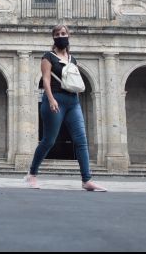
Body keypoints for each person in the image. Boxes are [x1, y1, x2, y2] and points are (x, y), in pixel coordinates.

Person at [25, 24, 106, 192]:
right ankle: (32, 173)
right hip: (55, 99)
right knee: (49, 140)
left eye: (63, 33)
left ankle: (86, 179)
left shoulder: (72, 58)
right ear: (53, 37)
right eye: (57, 34)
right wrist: (51, 98)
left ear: (68, 36)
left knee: (81, 140)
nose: (61, 36)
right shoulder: (48, 57)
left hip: (73, 101)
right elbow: (46, 79)